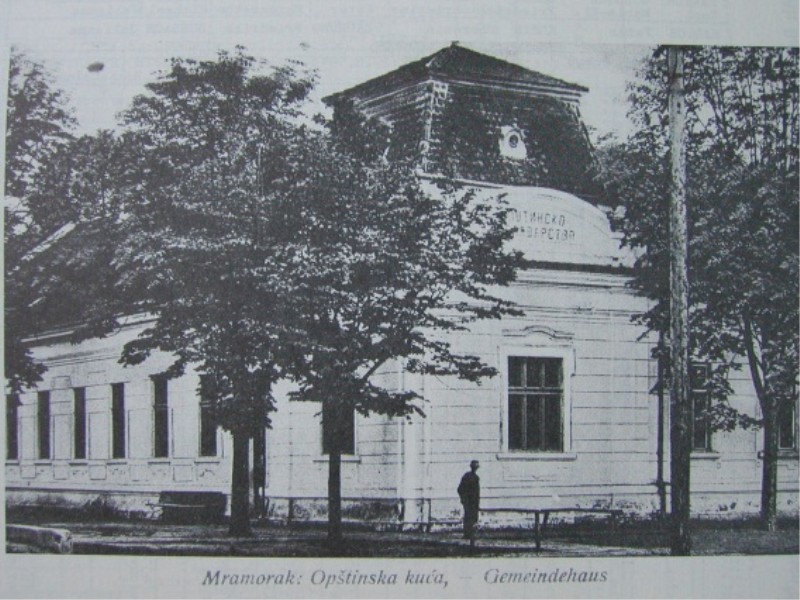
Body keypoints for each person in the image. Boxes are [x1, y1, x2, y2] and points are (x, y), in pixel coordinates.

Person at [457, 459, 480, 545]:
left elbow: (476, 492)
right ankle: (468, 534)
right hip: (469, 501)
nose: (475, 468)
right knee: (469, 517)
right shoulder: (468, 477)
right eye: (475, 466)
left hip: (472, 501)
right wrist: (464, 498)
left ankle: (469, 534)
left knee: (471, 517)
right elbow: (460, 489)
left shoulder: (475, 477)